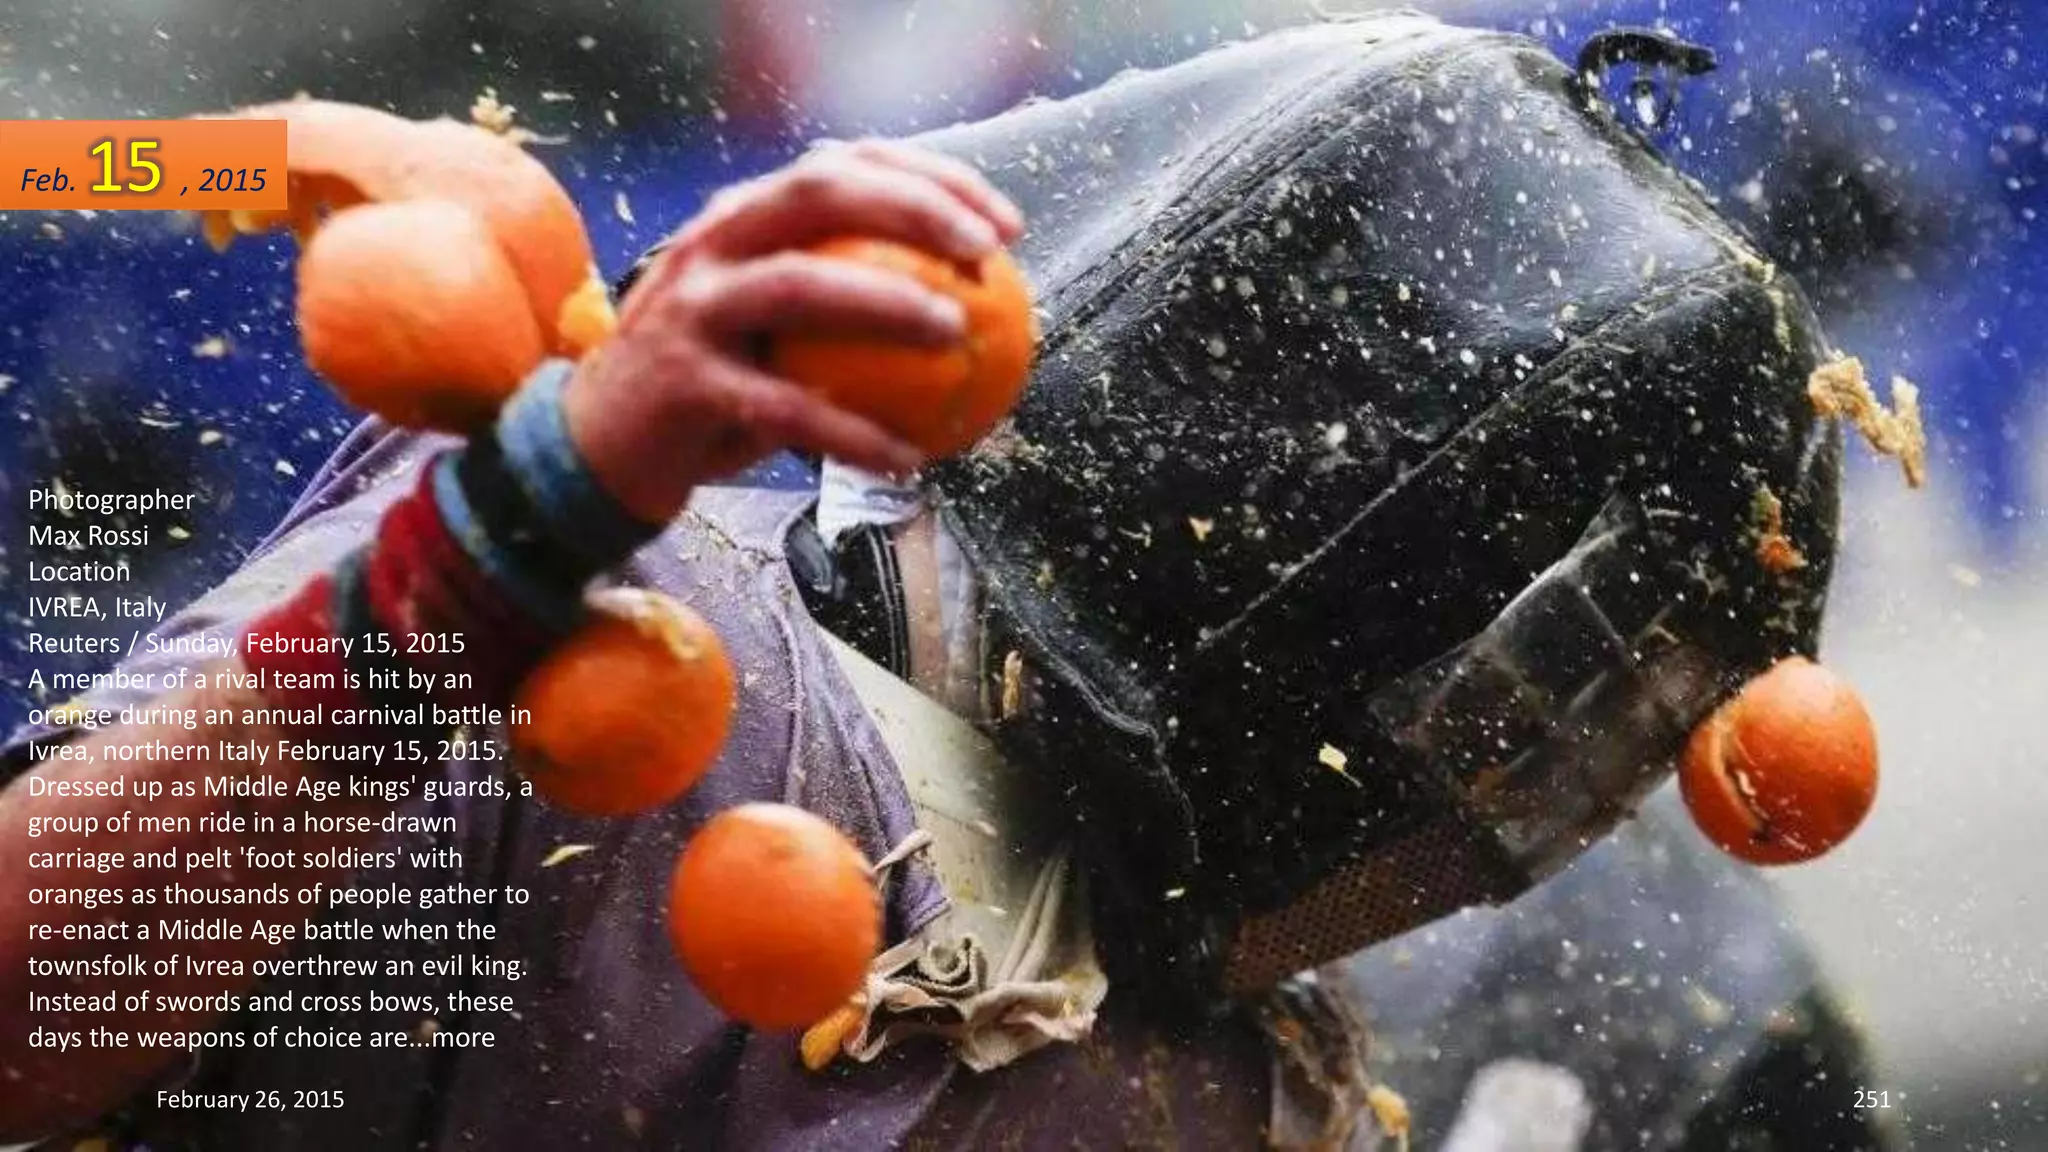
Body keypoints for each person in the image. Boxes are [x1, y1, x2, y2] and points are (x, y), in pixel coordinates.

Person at [4, 15, 1897, 1150]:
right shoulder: (621, 639)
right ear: (1316, 623)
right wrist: (497, 560)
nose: (1518, 834)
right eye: (1501, 728)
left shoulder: (1258, 1073)